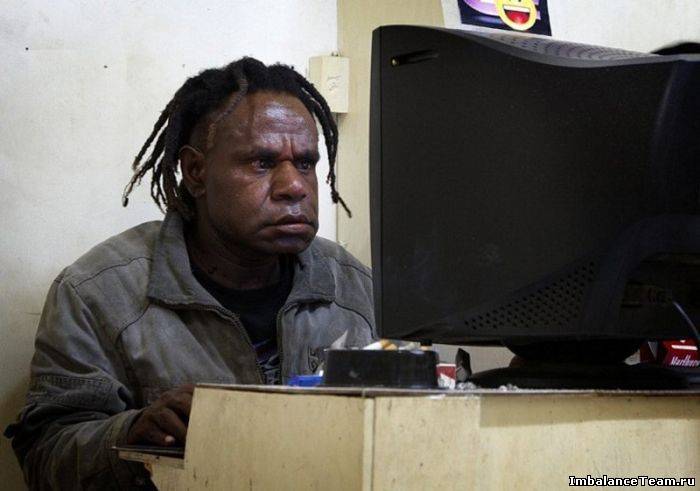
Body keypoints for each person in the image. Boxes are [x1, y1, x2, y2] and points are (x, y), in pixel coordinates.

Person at [5, 57, 375, 490]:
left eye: (306, 163)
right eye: (262, 163)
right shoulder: (98, 294)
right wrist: (130, 434)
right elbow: (44, 456)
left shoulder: (356, 288)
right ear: (196, 172)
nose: (294, 186)